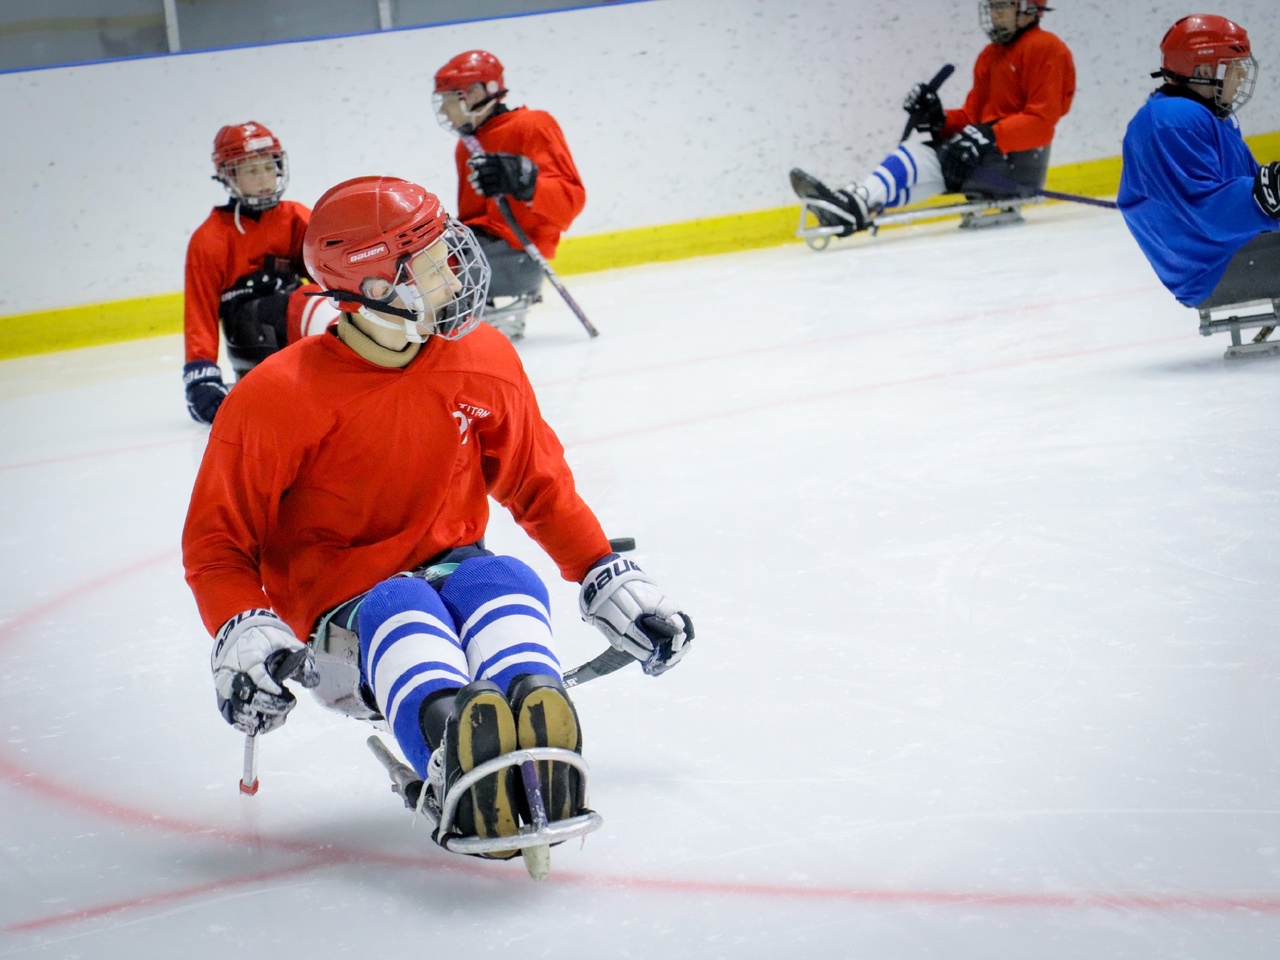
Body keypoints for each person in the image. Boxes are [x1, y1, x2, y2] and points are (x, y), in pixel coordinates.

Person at [182, 176, 691, 859]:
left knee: (504, 578)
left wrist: (603, 571)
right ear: (374, 285)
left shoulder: (481, 357)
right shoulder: (275, 398)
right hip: (344, 614)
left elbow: (538, 482)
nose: (454, 271)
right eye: (427, 261)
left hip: (454, 567)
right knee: (404, 603)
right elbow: (217, 543)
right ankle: (456, 757)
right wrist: (243, 630)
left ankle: (536, 733)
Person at [790, 0, 1074, 235]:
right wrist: (939, 119)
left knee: (923, 157)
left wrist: (990, 135)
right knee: (929, 159)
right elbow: (973, 117)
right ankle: (858, 204)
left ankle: (856, 203)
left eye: (1001, 6)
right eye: (991, 7)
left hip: (1018, 167)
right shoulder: (990, 56)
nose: (993, 14)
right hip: (993, 157)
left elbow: (1042, 121)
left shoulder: (1046, 47)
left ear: (1028, 8)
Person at [1117, 14, 1280, 310]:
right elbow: (1211, 214)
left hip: (1231, 253)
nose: (1242, 75)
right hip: (1216, 268)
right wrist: (1267, 193)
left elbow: (1253, 188)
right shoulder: (1172, 121)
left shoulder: (1200, 116)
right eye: (1233, 66)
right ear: (1205, 70)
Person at [182, 121, 337, 425]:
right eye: (252, 171)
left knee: (327, 298)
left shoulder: (294, 217)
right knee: (309, 298)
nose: (265, 179)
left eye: (269, 167)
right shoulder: (209, 239)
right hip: (251, 338)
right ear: (229, 175)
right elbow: (200, 311)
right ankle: (347, 371)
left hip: (290, 328)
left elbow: (329, 274)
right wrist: (201, 378)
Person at [432, 50, 585, 340]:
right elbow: (473, 220)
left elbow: (571, 201)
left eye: (448, 98)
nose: (444, 110)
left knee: (436, 269)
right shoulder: (467, 146)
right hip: (485, 252)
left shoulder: (533, 125)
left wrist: (527, 183)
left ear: (476, 93)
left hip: (519, 257)